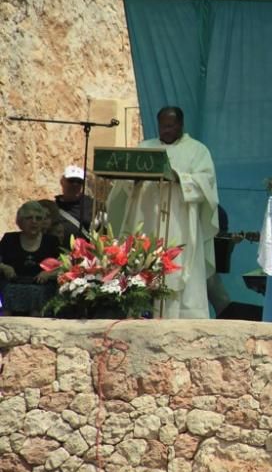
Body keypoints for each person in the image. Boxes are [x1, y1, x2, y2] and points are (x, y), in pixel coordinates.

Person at [108, 106, 219, 319]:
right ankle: (138, 310)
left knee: (178, 268)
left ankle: (180, 318)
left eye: (170, 126)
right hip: (146, 217)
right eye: (162, 126)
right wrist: (134, 179)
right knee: (141, 264)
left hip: (180, 222)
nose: (166, 130)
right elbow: (125, 181)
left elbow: (207, 182)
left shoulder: (197, 150)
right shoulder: (145, 147)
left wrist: (179, 177)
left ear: (180, 124)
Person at [0, 201, 62, 316]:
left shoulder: (51, 241)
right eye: (29, 218)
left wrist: (49, 274)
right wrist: (4, 267)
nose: (34, 221)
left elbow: (64, 267)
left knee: (37, 294)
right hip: (13, 284)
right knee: (8, 292)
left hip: (42, 287)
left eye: (38, 218)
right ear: (21, 222)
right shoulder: (9, 239)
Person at [54, 165, 94, 246]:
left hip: (84, 255)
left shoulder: (91, 205)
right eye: (71, 181)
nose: (75, 184)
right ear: (62, 182)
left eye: (79, 182)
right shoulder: (53, 207)